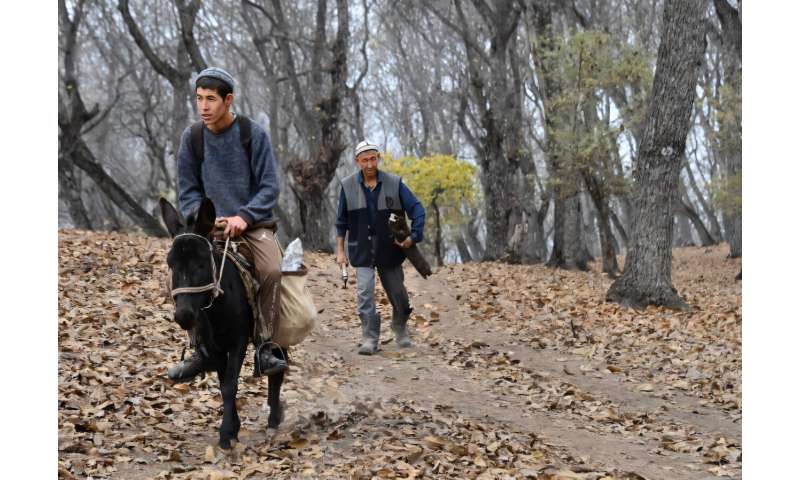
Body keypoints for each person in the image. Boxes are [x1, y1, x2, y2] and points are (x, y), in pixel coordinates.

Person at [168, 67, 286, 381]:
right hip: (209, 227)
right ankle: (199, 347)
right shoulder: (192, 138)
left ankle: (265, 345)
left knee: (272, 270)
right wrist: (204, 217)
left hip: (254, 226)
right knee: (185, 273)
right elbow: (188, 188)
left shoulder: (252, 134)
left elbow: (269, 186)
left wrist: (243, 216)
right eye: (199, 99)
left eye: (211, 99)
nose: (203, 106)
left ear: (228, 100)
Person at [335, 141, 426, 355]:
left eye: (373, 159)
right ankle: (369, 337)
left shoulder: (395, 184)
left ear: (379, 158)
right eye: (364, 160)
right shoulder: (347, 186)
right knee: (365, 294)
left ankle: (399, 326)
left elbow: (417, 209)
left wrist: (413, 236)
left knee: (399, 295)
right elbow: (341, 222)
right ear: (357, 161)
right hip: (362, 249)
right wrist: (340, 251)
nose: (369, 164)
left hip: (390, 249)